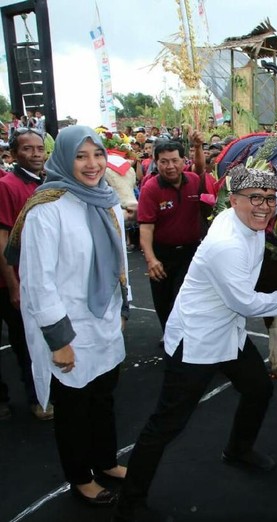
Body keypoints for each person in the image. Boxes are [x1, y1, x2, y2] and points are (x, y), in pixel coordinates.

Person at [113, 138, 277, 521]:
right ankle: (130, 503)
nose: (265, 206)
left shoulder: (250, 209)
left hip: (229, 333)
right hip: (197, 342)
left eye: (269, 199)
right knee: (166, 424)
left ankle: (238, 449)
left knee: (258, 389)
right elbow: (247, 303)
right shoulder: (227, 243)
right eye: (255, 198)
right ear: (234, 200)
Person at [6, 126, 131, 506]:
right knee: (74, 408)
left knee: (103, 397)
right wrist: (59, 340)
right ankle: (80, 477)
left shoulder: (107, 199)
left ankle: (106, 461)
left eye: (97, 154)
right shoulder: (47, 208)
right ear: (64, 158)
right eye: (81, 156)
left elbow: (119, 261)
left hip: (104, 320)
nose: (92, 164)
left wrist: (123, 305)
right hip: (68, 327)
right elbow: (37, 282)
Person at [0, 128, 51, 420]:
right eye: (27, 149)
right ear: (14, 153)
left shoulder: (44, 184)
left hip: (34, 279)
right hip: (12, 280)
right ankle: (35, 398)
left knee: (37, 339)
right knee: (24, 342)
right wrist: (13, 284)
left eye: (39, 148)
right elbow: (3, 238)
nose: (35, 154)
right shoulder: (8, 186)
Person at [137, 135, 205, 333]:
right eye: (164, 162)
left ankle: (185, 339)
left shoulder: (193, 181)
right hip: (162, 255)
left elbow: (201, 170)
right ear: (156, 163)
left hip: (191, 252)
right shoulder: (150, 189)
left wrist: (198, 146)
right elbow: (146, 228)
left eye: (175, 160)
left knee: (183, 298)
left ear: (184, 161)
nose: (170, 166)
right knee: (163, 300)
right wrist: (151, 260)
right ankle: (169, 336)